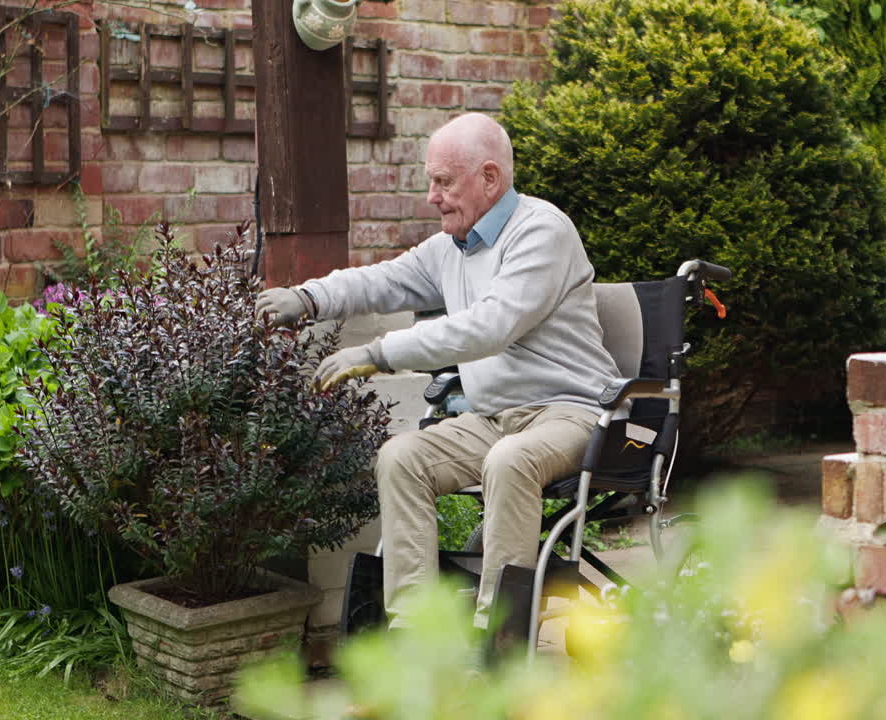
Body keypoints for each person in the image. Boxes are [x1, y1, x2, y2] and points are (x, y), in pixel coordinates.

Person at [255, 112, 617, 631]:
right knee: (402, 457)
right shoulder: (452, 247)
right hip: (493, 417)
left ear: (489, 178)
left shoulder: (542, 232)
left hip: (569, 413)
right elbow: (382, 280)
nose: (432, 196)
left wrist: (378, 353)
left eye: (443, 181)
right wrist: (307, 298)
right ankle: (416, 636)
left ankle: (500, 638)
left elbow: (490, 326)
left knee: (511, 461)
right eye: (431, 181)